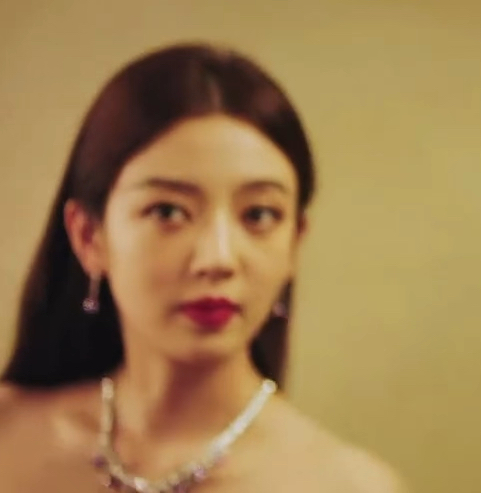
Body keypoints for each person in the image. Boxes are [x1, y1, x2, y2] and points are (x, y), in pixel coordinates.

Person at [0, 43, 405, 492]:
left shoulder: (344, 484)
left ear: (294, 242)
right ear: (88, 237)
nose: (218, 259)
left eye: (259, 215)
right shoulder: (10, 433)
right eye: (168, 212)